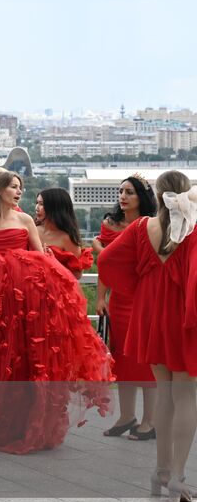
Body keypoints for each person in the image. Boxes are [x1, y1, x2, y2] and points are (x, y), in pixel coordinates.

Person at [0, 170, 111, 454]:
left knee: (22, 360)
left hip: (23, 302)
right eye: (14, 187)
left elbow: (41, 260)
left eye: (20, 187)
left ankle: (25, 423)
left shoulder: (25, 219)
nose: (19, 192)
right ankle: (1, 421)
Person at [98, 171, 197, 502]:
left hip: (150, 314)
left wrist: (137, 284)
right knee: (186, 396)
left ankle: (162, 472)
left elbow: (106, 259)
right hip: (183, 317)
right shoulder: (193, 230)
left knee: (164, 393)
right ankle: (178, 478)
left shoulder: (141, 228)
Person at [93, 175, 158, 440]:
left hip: (145, 299)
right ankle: (126, 416)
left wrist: (99, 249)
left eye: (129, 192)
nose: (123, 196)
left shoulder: (152, 225)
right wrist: (100, 298)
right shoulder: (109, 224)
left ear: (141, 197)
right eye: (121, 191)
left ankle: (150, 422)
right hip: (118, 300)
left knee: (146, 361)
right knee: (121, 360)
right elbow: (105, 267)